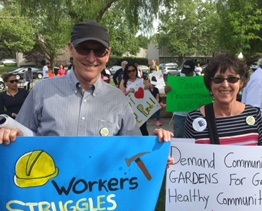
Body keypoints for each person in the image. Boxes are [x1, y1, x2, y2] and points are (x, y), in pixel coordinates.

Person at [0, 21, 172, 144]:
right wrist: (9, 134)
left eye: (99, 51)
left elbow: (134, 149)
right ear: (71, 49)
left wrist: (156, 146)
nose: (91, 58)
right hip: (51, 192)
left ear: (108, 54)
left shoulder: (117, 98)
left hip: (99, 194)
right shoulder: (42, 91)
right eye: (84, 49)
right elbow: (19, 138)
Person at [166, 59, 196, 138]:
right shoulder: (177, 78)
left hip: (195, 113)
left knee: (195, 136)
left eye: (188, 71)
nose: (185, 74)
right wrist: (167, 90)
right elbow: (169, 93)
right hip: (180, 114)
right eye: (185, 71)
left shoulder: (199, 80)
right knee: (179, 137)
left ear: (193, 70)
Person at [119, 62, 150, 136]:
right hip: (129, 109)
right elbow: (120, 94)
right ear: (126, 72)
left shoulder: (141, 80)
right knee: (130, 130)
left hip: (141, 109)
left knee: (143, 129)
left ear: (136, 71)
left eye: (133, 70)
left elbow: (148, 91)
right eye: (129, 71)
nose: (131, 73)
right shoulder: (124, 81)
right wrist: (128, 92)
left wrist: (148, 86)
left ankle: (144, 145)